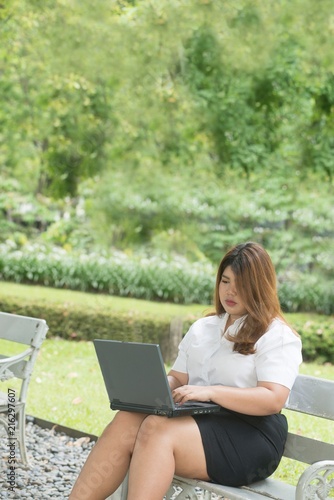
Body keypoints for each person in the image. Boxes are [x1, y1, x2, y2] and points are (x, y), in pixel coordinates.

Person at [69, 241, 302, 500]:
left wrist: (211, 392)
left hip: (249, 436)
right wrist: (148, 388)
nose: (230, 291)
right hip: (199, 421)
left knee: (157, 429)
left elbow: (273, 399)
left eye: (241, 285)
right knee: (128, 418)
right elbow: (178, 379)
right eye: (225, 281)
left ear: (259, 287)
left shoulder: (276, 334)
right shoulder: (204, 327)